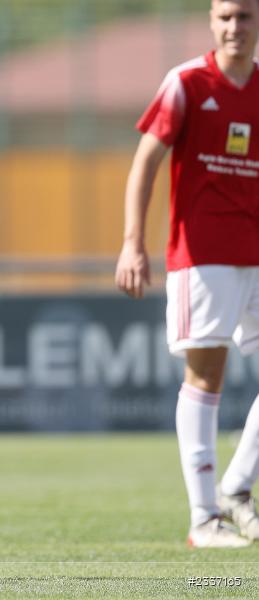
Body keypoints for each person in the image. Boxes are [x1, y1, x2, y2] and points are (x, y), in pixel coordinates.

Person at [116, 0, 259, 548]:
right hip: (204, 256)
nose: (234, 27)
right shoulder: (188, 82)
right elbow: (145, 162)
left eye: (244, 16)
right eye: (224, 16)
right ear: (211, 21)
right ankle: (204, 519)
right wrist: (133, 244)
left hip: (255, 255)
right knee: (207, 378)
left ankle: (238, 488)